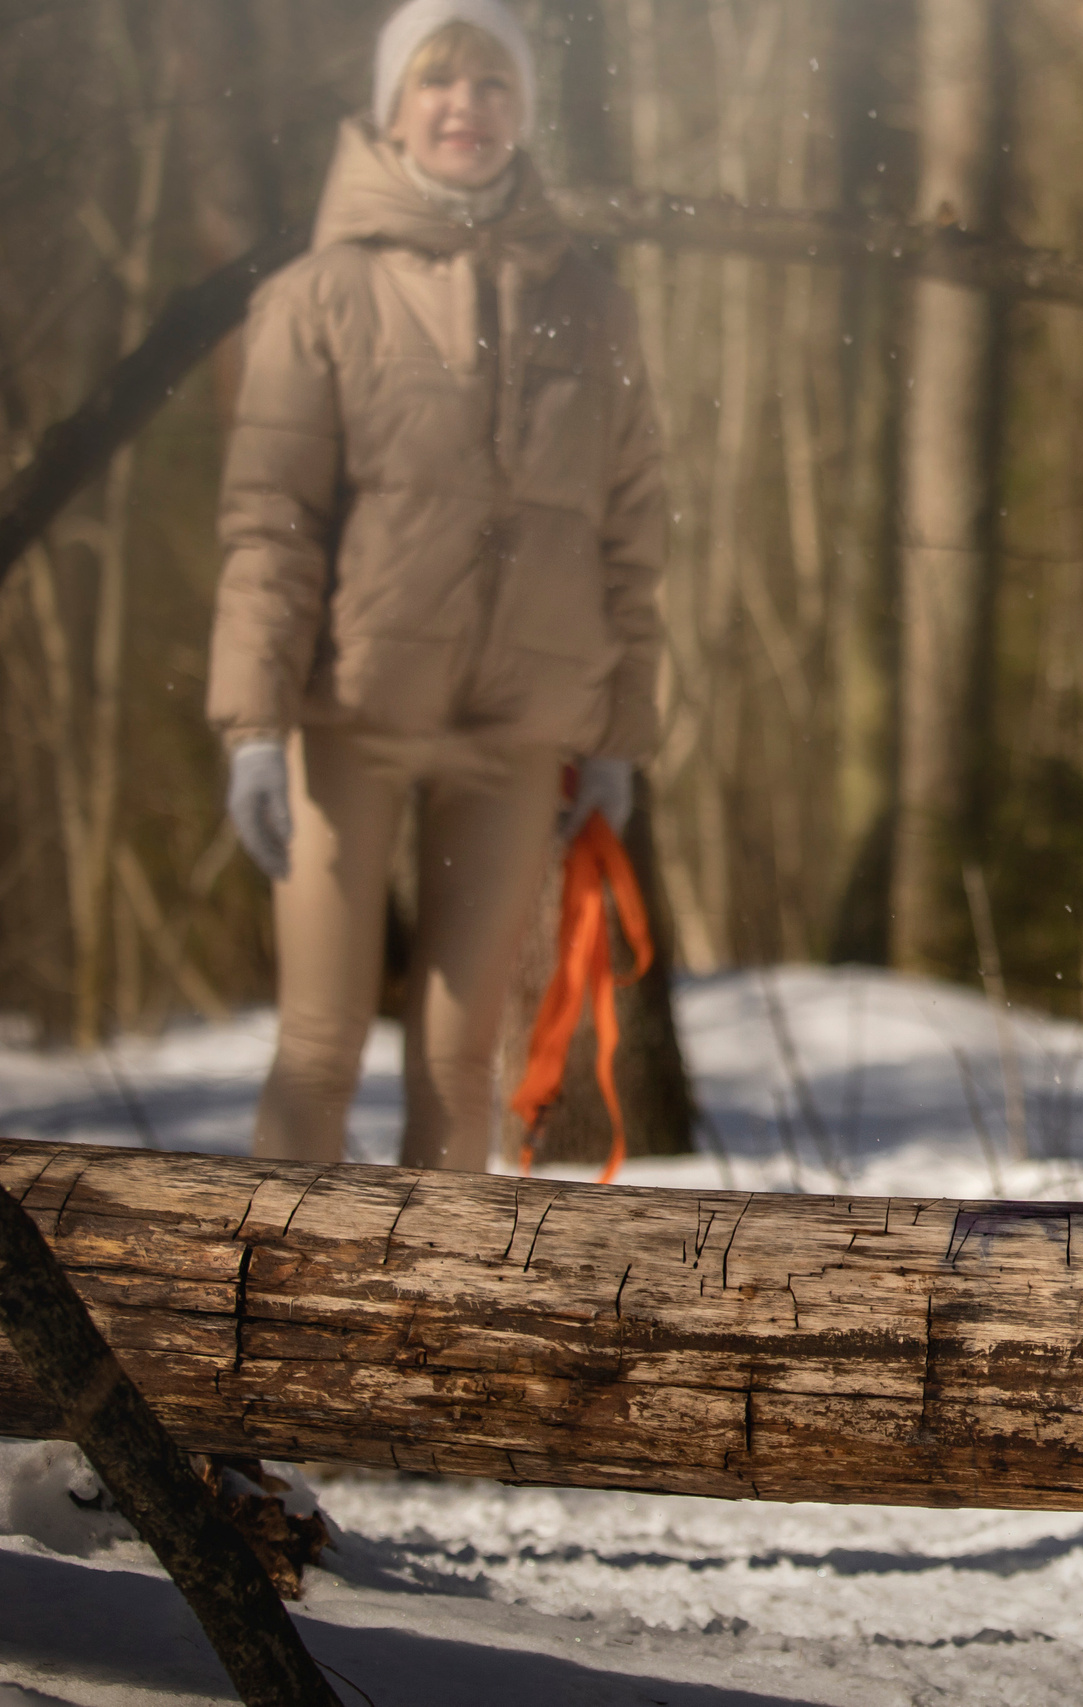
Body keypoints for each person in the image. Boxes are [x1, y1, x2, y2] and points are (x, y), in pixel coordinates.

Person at [209, 0, 665, 1172]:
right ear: (393, 107)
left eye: (492, 86)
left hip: (514, 738)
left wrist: (613, 737)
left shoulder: (591, 305)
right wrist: (254, 726)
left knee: (461, 1065)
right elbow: (270, 524)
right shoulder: (318, 297)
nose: (466, 107)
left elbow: (630, 536)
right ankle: (263, 1315)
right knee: (319, 1044)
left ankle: (421, 1336)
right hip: (344, 721)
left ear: (522, 113)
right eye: (439, 83)